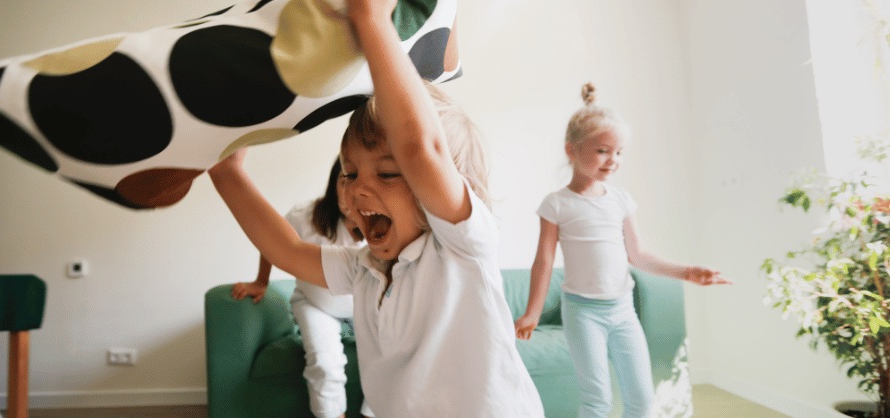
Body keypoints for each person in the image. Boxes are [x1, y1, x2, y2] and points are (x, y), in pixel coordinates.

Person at [208, 0, 544, 416]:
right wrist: (226, 174)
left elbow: (420, 149)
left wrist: (372, 21)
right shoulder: (364, 269)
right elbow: (287, 252)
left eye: (387, 174)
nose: (356, 190)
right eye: (348, 173)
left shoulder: (462, 248)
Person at [514, 83, 732, 418]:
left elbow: (639, 255)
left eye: (619, 152)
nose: (612, 160)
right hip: (583, 313)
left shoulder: (620, 200)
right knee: (597, 400)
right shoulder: (556, 204)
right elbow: (544, 262)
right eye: (602, 150)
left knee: (642, 400)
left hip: (623, 311)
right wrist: (532, 313)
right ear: (571, 150)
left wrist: (686, 272)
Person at [230, 158, 372, 418]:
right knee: (325, 363)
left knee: (386, 357)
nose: (352, 190)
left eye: (360, 183)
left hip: (364, 306)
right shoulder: (304, 216)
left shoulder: (381, 219)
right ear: (334, 184)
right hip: (315, 302)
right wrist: (261, 281)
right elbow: (272, 244)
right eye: (346, 180)